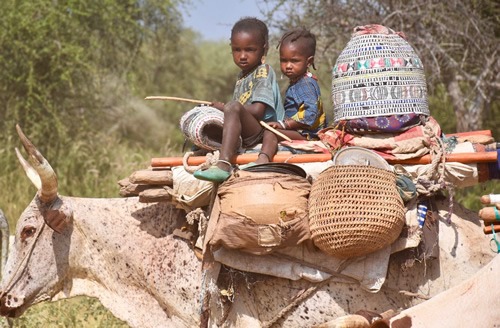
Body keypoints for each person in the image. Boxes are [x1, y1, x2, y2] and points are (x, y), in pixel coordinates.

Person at [194, 17, 284, 182]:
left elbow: (258, 110)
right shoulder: (242, 76)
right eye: (237, 50)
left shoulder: (262, 72)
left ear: (263, 49)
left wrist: (226, 107)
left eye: (249, 49)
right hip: (249, 130)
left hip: (263, 131)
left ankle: (223, 164)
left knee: (232, 107)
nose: (242, 56)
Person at [255, 28, 326, 164]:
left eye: (294, 61)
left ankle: (262, 160)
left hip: (308, 135)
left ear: (309, 61)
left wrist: (283, 124)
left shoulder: (305, 84)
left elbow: (309, 115)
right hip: (300, 132)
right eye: (284, 60)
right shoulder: (298, 82)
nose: (288, 66)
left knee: (271, 132)